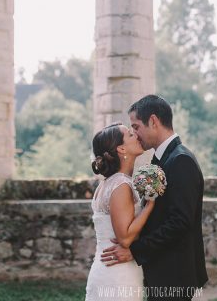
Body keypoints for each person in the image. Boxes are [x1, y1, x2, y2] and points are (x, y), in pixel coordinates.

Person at [101, 95, 208, 301]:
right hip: (162, 270)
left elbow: (180, 222)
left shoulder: (181, 160)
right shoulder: (163, 158)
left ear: (153, 121)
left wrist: (136, 250)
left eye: (136, 126)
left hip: (174, 274)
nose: (134, 133)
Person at [85, 122, 155, 301]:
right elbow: (124, 238)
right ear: (121, 149)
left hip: (108, 269)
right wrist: (150, 205)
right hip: (117, 274)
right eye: (130, 135)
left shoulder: (108, 183)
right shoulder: (121, 184)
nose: (136, 135)